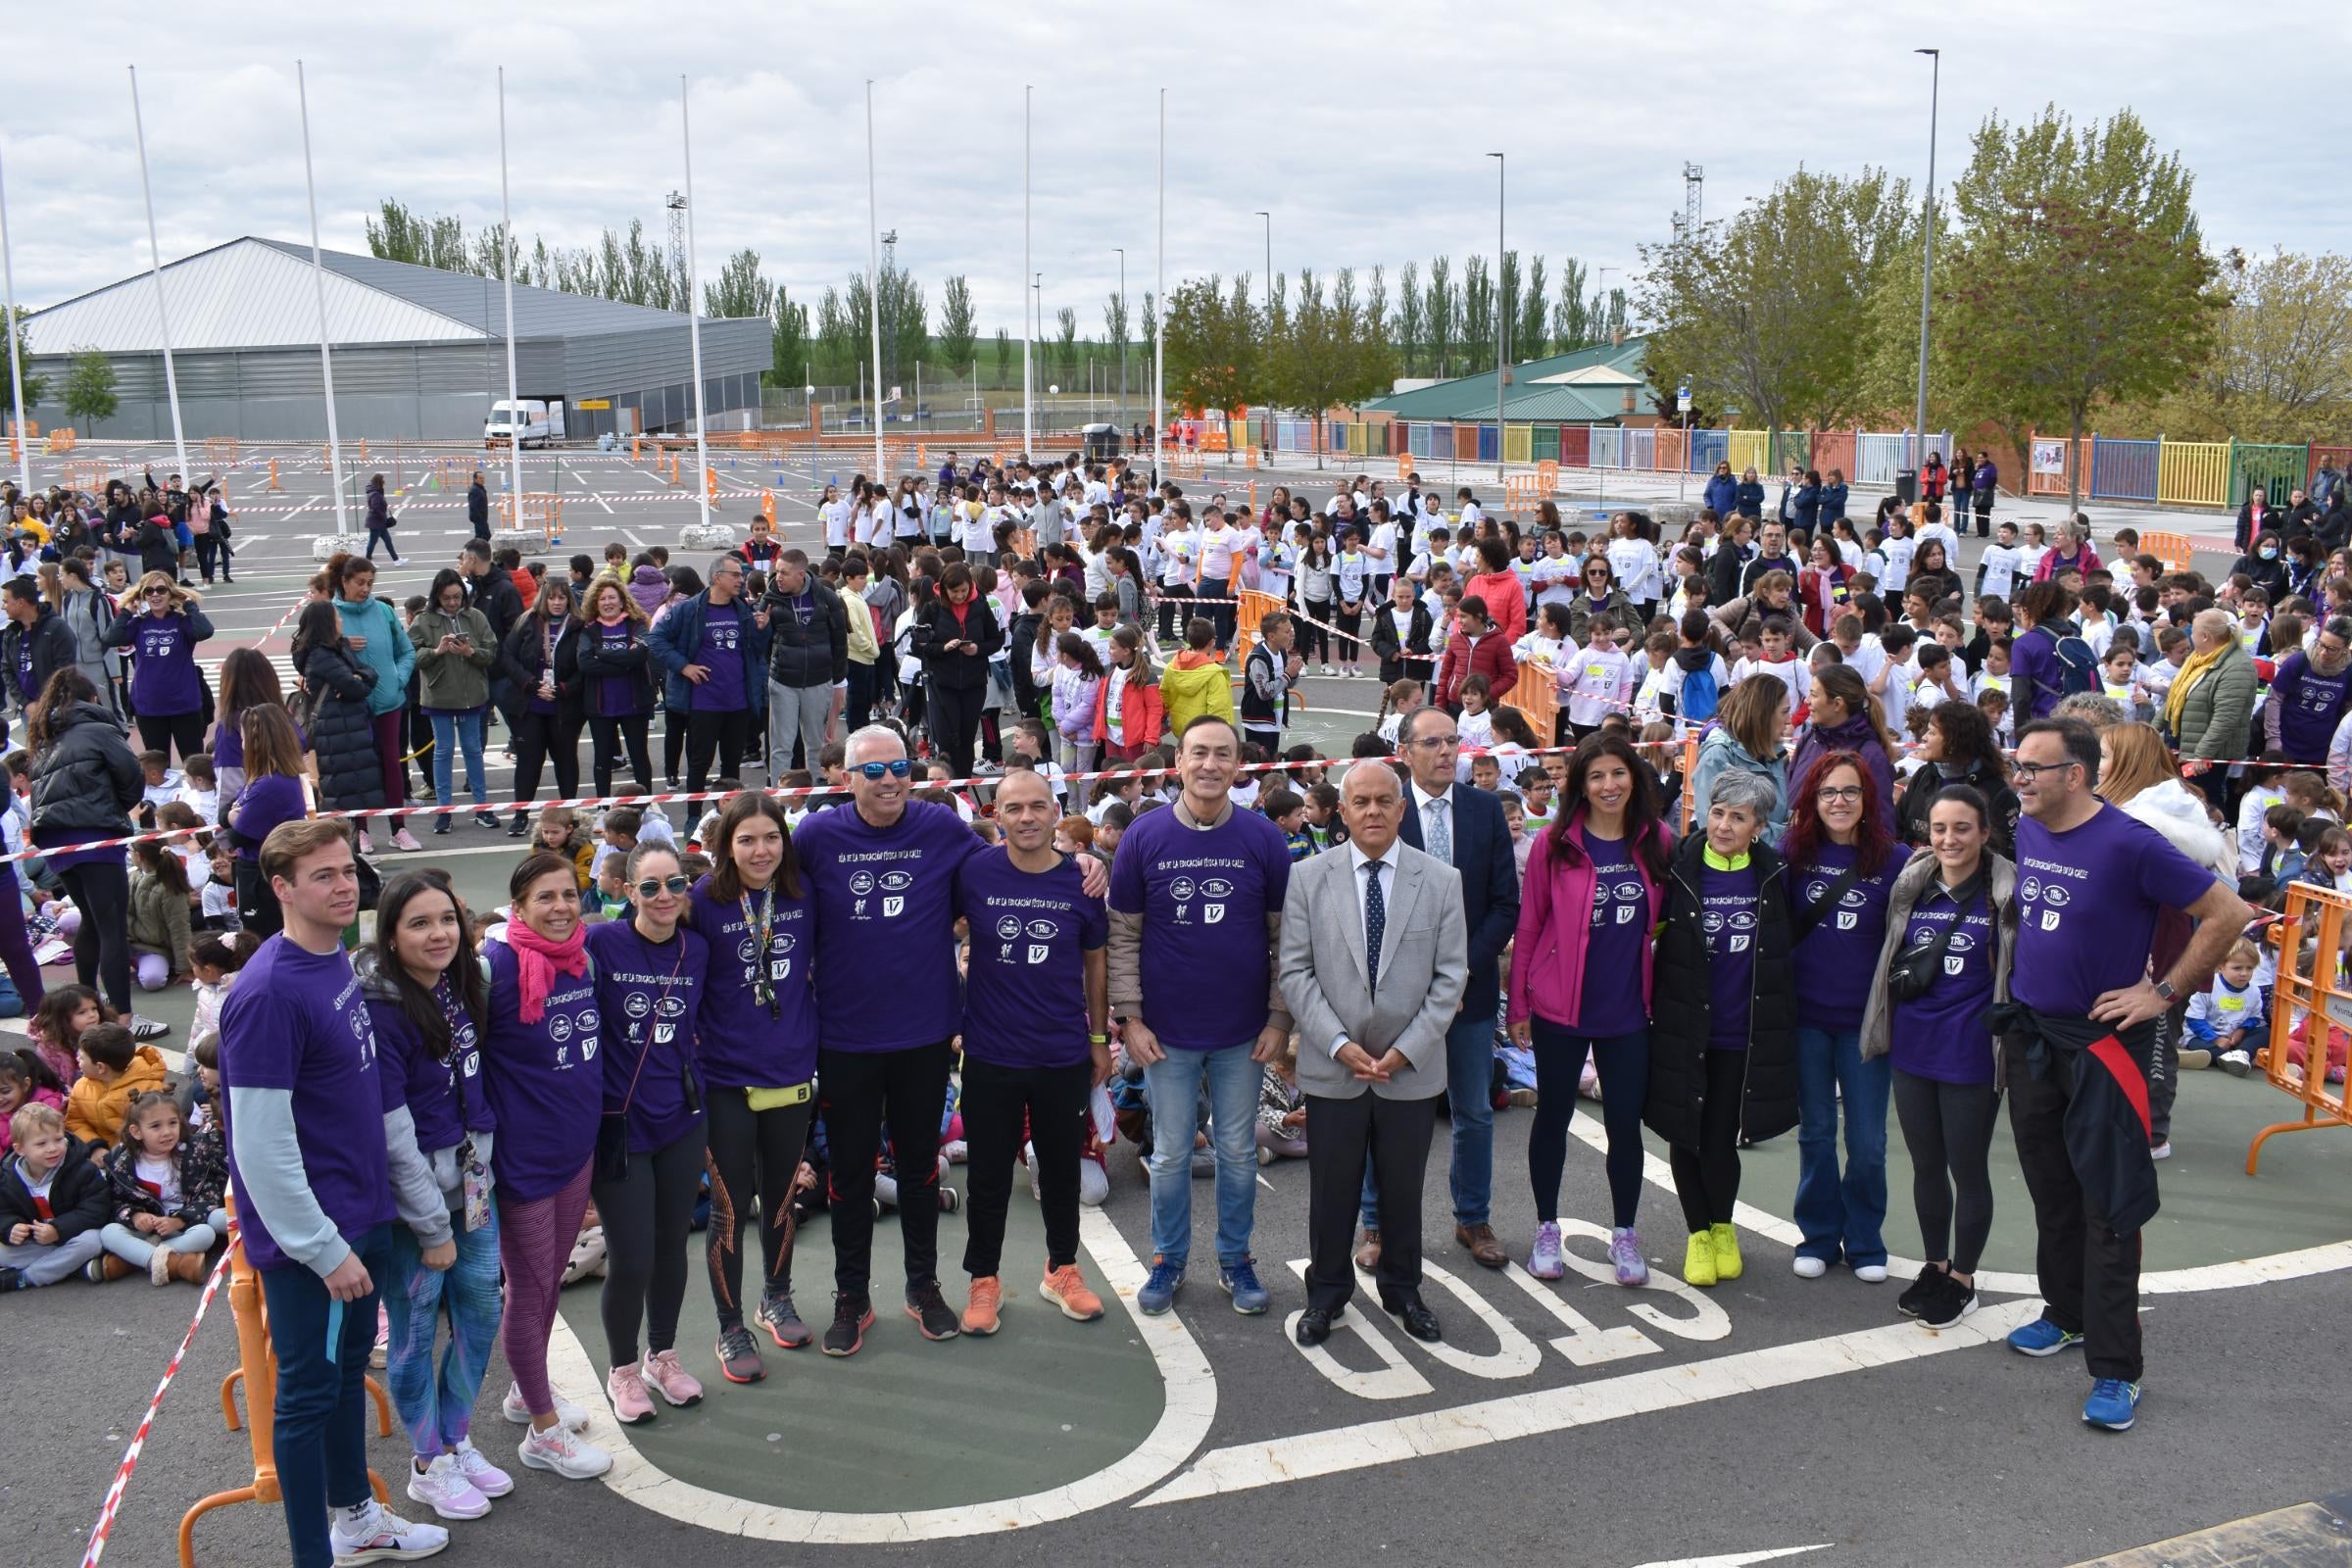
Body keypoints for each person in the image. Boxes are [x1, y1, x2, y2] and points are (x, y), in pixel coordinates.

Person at [797, 726, 1104, 1351]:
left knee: (917, 1168)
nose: (888, 779)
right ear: (845, 777)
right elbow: (763, 889)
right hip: (847, 1036)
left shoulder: (941, 832)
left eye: (899, 767)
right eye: (873, 769)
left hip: (926, 1035)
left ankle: (923, 1286)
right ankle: (851, 1294)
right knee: (851, 1173)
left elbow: (1019, 862)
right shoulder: (816, 837)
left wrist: (1085, 859)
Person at [2001, 718, 2251, 1431]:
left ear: (2074, 776)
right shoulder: (2028, 828)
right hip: (2035, 1038)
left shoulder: (2130, 842)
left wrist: (2162, 995)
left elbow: (2228, 912)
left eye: (2032, 768)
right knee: (2051, 1189)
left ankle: (2117, 1370)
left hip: (2107, 1046)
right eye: (2017, 764)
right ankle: (2066, 1314)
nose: (2019, 778)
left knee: (2109, 1207)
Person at [219, 818, 450, 1565]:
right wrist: (321, 1249)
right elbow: (259, 1145)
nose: (344, 885)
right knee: (308, 1397)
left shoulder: (336, 960)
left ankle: (357, 1521)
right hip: (318, 1240)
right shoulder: (266, 994)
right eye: (322, 875)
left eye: (347, 870)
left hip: (361, 1215)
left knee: (347, 1376)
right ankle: (313, 1554)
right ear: (281, 888)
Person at [1281, 759, 1467, 1348]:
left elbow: (1449, 978)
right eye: (1360, 802)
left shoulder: (1440, 880)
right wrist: (1338, 1044)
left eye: (1384, 801)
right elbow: (1296, 972)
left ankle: (1403, 1290)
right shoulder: (1308, 878)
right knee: (1332, 1191)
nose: (1373, 812)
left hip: (1408, 1073)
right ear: (1342, 811)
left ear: (1402, 808)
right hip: (1334, 1068)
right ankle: (1326, 1295)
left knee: (1402, 1190)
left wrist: (1407, 1050)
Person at [1111, 715, 1293, 1318]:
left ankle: (1236, 1260)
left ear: (1238, 766)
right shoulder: (1143, 837)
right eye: (1199, 754)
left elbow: (1284, 940)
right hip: (1165, 1034)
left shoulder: (1264, 839)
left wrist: (1278, 1017)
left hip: (1244, 1031)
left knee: (1238, 1152)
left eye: (1222, 755)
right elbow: (1123, 937)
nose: (1210, 764)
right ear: (1178, 764)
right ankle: (1168, 1259)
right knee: (1168, 1155)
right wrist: (1130, 1019)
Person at [362, 870, 512, 1522]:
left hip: (473, 1183)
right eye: (419, 922)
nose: (439, 933)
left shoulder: (459, 987)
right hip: (414, 1203)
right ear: (390, 935)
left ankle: (456, 1437)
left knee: (481, 1312)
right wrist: (431, 1228)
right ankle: (427, 1461)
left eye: (447, 919)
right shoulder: (380, 1010)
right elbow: (393, 1135)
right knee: (416, 1328)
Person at [1351, 706, 1519, 1272]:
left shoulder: (1484, 811)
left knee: (1473, 1110)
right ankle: (1375, 1222)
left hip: (1466, 994)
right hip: (1395, 997)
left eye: (1453, 742)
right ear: (1406, 751)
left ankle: (1473, 1217)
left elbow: (1503, 904)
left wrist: (1459, 967)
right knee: (1387, 1112)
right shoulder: (1384, 809)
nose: (1447, 752)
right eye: (1433, 743)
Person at [953, 767, 1112, 1334]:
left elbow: (1096, 963)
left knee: (1062, 1168)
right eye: (1014, 808)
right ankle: (984, 1279)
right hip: (992, 1052)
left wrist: (1099, 1038)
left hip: (1061, 1052)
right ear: (997, 815)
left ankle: (1061, 1269)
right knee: (989, 1174)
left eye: (1037, 807)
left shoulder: (1084, 881)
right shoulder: (972, 871)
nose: (1026, 818)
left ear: (1055, 812)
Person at [1505, 733, 1668, 1285]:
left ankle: (1625, 1234)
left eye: (1618, 774)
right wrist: (1519, 1004)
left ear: (1634, 779)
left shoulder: (1657, 840)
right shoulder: (1555, 843)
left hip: (1628, 1011)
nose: (1608, 785)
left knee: (1625, 1124)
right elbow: (1530, 926)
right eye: (1595, 776)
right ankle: (1546, 1227)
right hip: (1559, 1008)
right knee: (1552, 1115)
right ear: (1580, 784)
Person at [1858, 784, 2018, 1330]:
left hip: (1972, 1052)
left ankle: (1964, 1280)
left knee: (1966, 1168)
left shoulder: (2004, 892)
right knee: (1926, 1167)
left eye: (1962, 828)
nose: (1949, 839)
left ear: (1985, 833)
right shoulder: (1913, 885)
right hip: (1913, 1045)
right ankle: (1936, 1265)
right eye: (1940, 828)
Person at [477, 852, 610, 1479]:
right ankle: (543, 1432)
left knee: (552, 1280)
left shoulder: (582, 956)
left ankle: (523, 1390)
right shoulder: (495, 965)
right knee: (529, 1293)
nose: (561, 908)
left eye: (569, 894)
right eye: (546, 898)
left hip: (575, 1148)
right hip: (523, 1159)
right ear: (519, 905)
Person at [1646, 769, 1797, 1287]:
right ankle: (1697, 1235)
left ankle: (1723, 1226)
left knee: (1721, 1139)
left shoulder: (1774, 874)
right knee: (1686, 1135)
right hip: (1685, 1030)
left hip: (1743, 1033)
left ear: (1758, 826)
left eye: (1738, 817)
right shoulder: (1680, 868)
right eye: (1718, 812)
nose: (1724, 825)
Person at [688, 794, 820, 1383]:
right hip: (725, 1078)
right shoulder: (702, 902)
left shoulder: (803, 893)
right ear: (725, 845)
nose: (760, 850)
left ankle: (776, 1295)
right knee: (728, 1207)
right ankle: (730, 1324)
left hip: (792, 1071)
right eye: (746, 840)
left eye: (770, 837)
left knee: (784, 1195)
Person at [583, 841, 710, 1425]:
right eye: (651, 886)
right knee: (631, 1257)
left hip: (682, 1120)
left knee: (671, 1249)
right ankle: (622, 1369)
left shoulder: (698, 950)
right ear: (627, 892)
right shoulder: (601, 943)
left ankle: (663, 1356)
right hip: (620, 1126)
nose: (665, 896)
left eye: (675, 884)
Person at [1782, 752, 1901, 1282]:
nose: (1839, 802)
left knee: (1868, 1141)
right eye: (1829, 791)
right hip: (1805, 1019)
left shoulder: (1894, 860)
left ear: (1867, 799)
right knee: (1816, 1133)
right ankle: (1820, 1235)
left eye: (1850, 791)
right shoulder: (1792, 855)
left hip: (1866, 1025)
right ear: (1812, 797)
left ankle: (1865, 1238)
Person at [27, 668, 155, 1036]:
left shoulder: (45, 736)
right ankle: (122, 1017)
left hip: (57, 840)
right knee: (112, 925)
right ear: (92, 699)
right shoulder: (98, 729)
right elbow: (132, 775)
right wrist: (118, 808)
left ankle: (83, 1007)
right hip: (95, 834)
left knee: (92, 921)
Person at [649, 556, 771, 797]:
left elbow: (756, 652)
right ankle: (694, 817)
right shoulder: (689, 609)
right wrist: (684, 666)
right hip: (703, 703)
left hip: (738, 702)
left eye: (741, 575)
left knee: (731, 767)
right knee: (699, 763)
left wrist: (762, 630)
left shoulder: (744, 610)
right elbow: (655, 639)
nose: (741, 580)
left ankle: (730, 816)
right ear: (717, 578)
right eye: (735, 575)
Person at [328, 555, 421, 852]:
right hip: (351, 706)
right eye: (359, 582)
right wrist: (340, 643)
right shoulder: (329, 614)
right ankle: (361, 831)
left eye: (370, 582)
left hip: (389, 702)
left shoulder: (384, 611)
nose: (366, 588)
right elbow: (311, 655)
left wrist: (398, 679)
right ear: (343, 582)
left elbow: (406, 652)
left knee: (392, 766)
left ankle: (399, 829)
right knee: (358, 768)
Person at [409, 570, 501, 834]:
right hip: (439, 695)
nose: (452, 602)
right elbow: (411, 655)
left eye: (457, 597)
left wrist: (470, 652)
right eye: (447, 598)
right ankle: (444, 810)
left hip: (472, 694)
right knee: (443, 751)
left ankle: (482, 806)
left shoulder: (475, 617)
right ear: (437, 596)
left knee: (473, 749)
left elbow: (491, 651)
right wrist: (436, 651)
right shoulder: (424, 620)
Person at [98, 571, 215, 763]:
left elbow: (205, 631)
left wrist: (188, 605)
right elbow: (111, 638)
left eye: (161, 590)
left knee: (194, 764)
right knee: (158, 770)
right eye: (149, 591)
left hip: (184, 706)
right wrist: (127, 611)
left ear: (170, 593)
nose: (155, 595)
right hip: (149, 708)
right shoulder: (139, 623)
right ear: (143, 596)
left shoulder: (182, 622)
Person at [500, 579, 585, 837]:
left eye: (562, 598)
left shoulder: (580, 626)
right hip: (530, 702)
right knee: (529, 761)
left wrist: (565, 688)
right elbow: (507, 657)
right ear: (544, 599)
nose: (557, 603)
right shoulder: (527, 621)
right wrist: (531, 684)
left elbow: (586, 666)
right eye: (552, 598)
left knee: (566, 759)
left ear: (569, 600)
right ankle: (521, 814)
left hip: (564, 704)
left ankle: (569, 813)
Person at [0, 1101, 111, 1291]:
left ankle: (25, 1278)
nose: (53, 1148)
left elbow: (97, 1210)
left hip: (73, 1237)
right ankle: (70, 1267)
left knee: (93, 1241)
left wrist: (58, 1230)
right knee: (3, 1252)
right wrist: (11, 1228)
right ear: (20, 1149)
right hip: (38, 1244)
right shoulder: (8, 1177)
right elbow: (3, 1211)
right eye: (41, 1143)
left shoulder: (82, 1169)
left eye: (59, 1139)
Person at [911, 562, 1003, 781]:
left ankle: (961, 787)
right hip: (942, 684)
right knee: (947, 739)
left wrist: (978, 648)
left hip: (974, 682)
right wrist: (942, 648)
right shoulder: (932, 609)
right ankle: (946, 784)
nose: (960, 596)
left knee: (967, 736)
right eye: (955, 592)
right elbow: (917, 645)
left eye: (964, 591)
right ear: (944, 589)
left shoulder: (980, 605)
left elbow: (996, 639)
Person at [762, 549, 847, 778]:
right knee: (781, 745)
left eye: (784, 573)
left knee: (816, 744)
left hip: (819, 680)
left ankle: (816, 794)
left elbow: (839, 639)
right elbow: (761, 642)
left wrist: (837, 678)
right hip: (783, 681)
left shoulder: (826, 596)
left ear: (801, 574)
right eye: (777, 571)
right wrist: (761, 628)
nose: (778, 577)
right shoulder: (770, 598)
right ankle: (781, 797)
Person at [2163, 609, 2259, 808]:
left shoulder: (2237, 667)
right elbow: (2177, 695)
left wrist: (2201, 754)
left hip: (2207, 754)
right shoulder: (2199, 657)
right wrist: (2155, 727)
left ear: (2205, 636)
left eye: (2193, 632)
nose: (2190, 638)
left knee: (2206, 803)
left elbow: (2225, 718)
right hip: (2184, 742)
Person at [1895, 701, 2020, 853]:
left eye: (1932, 732)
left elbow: (2002, 855)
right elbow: (1898, 828)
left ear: (1954, 741)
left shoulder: (1996, 793)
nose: (1924, 738)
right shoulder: (1923, 776)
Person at [1787, 664, 1898, 819]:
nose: (1807, 701)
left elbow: (1881, 823)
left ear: (1837, 704)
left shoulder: (1870, 754)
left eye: (1814, 695)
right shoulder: (1809, 738)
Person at [1689, 671, 1791, 835]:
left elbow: (1780, 814)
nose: (1789, 720)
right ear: (1763, 715)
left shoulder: (1774, 754)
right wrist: (1789, 837)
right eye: (1785, 711)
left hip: (1773, 857)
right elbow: (1718, 831)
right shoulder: (1718, 757)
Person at [2264, 616, 2352, 765]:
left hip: (2323, 749)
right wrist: (2273, 739)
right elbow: (2274, 701)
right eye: (2321, 645)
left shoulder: (2348, 671)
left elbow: (2348, 711)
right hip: (2286, 744)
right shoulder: (2299, 662)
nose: (2323, 652)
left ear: (2345, 650)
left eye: (2332, 649)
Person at [0, 574, 76, 725]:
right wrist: (25, 704)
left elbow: (65, 672)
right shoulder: (11, 632)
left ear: (21, 602)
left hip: (56, 711)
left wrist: (46, 704)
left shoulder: (57, 629)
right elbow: (7, 670)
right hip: (28, 712)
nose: (3, 607)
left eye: (6, 602)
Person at [364, 472, 404, 563]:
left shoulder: (376, 491)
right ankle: (367, 560)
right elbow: (375, 508)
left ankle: (396, 560)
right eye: (383, 480)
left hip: (379, 522)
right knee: (372, 542)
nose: (384, 482)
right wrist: (383, 517)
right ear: (379, 481)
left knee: (388, 541)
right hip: (376, 522)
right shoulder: (375, 494)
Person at [466, 471, 490, 542]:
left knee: (481, 536)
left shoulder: (480, 488)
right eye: (480, 478)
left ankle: (475, 550)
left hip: (482, 519)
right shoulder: (475, 490)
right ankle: (474, 550)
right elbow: (473, 506)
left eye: (483, 478)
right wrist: (480, 518)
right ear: (475, 479)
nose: (482, 480)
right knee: (484, 536)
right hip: (479, 519)